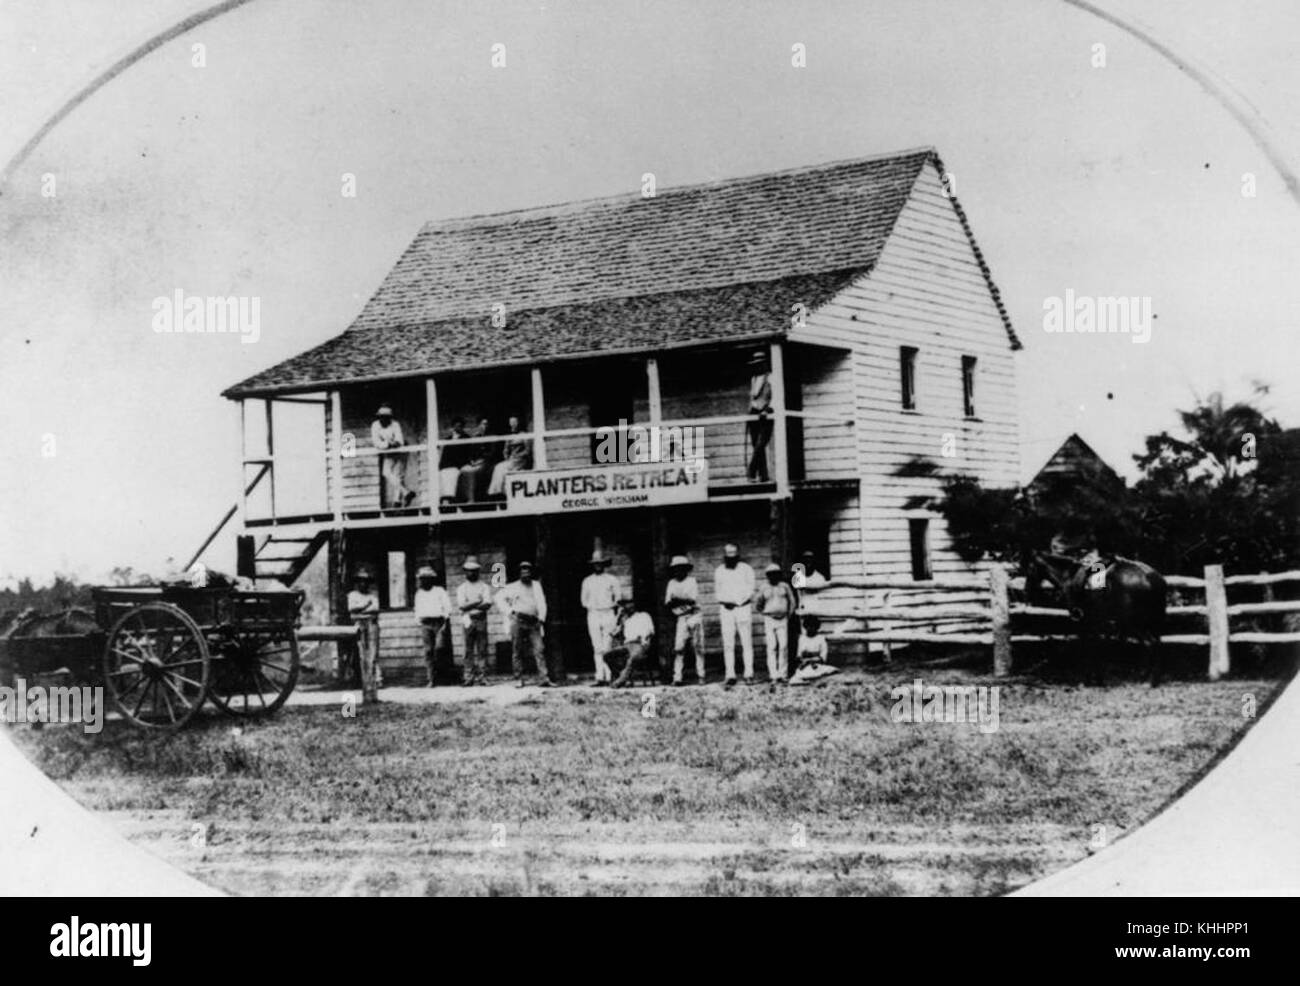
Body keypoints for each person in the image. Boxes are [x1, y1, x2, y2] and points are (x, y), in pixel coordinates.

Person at [497, 561, 550, 687]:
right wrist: (510, 612)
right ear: (519, 573)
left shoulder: (536, 585)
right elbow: (499, 598)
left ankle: (544, 678)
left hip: (533, 622)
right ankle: (518, 679)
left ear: (531, 573)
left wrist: (541, 618)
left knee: (539, 649)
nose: (525, 574)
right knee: (517, 650)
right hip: (518, 621)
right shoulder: (512, 587)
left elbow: (542, 602)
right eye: (523, 571)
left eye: (528, 571)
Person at [714, 543, 756, 687]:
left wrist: (738, 602)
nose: (730, 560)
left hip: (743, 608)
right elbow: (718, 592)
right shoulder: (719, 571)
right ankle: (730, 674)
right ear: (724, 557)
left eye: (733, 557)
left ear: (738, 556)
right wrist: (727, 602)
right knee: (728, 643)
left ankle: (749, 673)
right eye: (728, 557)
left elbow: (751, 589)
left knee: (746, 642)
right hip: (726, 610)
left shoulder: (746, 569)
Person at [581, 552, 621, 686]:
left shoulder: (612, 580)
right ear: (593, 565)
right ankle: (600, 677)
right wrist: (593, 606)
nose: (598, 566)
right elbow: (583, 600)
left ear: (604, 565)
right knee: (597, 647)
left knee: (607, 646)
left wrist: (608, 606)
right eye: (596, 564)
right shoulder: (587, 580)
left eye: (600, 564)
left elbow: (618, 598)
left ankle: (609, 677)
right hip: (593, 613)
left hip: (608, 613)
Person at [754, 562, 797, 683]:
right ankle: (773, 675)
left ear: (779, 575)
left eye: (776, 574)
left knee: (783, 646)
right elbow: (758, 603)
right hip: (769, 620)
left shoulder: (785, 586)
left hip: (783, 619)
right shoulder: (763, 587)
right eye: (771, 574)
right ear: (767, 576)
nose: (774, 577)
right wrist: (765, 613)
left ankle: (783, 674)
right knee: (771, 647)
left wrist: (788, 614)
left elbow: (792, 601)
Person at [665, 555, 704, 685]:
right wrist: (679, 601)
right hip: (681, 617)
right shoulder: (672, 583)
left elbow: (692, 600)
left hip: (694, 615)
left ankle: (701, 675)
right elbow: (668, 603)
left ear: (686, 569)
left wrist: (678, 600)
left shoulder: (691, 581)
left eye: (681, 569)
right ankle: (678, 677)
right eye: (676, 569)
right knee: (679, 648)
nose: (679, 572)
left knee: (697, 646)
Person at [455, 556, 493, 685]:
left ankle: (483, 677)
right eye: (468, 570)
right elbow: (462, 606)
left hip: (481, 619)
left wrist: (470, 604)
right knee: (467, 650)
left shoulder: (484, 587)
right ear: (465, 571)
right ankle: (468, 677)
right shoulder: (461, 588)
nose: (471, 572)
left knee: (482, 649)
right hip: (468, 620)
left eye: (474, 570)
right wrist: (478, 601)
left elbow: (487, 603)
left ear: (478, 571)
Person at [604, 595, 656, 688]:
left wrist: (645, 639)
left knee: (633, 658)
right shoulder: (625, 620)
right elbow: (612, 633)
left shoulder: (644, 615)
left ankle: (620, 681)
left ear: (634, 605)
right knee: (607, 656)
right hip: (627, 645)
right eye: (625, 605)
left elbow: (651, 631)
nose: (628, 606)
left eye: (630, 603)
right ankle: (621, 677)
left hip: (640, 643)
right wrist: (618, 617)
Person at [413, 565, 452, 687]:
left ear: (431, 579)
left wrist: (444, 621)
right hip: (425, 624)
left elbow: (448, 607)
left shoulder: (439, 591)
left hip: (438, 623)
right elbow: (417, 610)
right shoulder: (419, 594)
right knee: (428, 651)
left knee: (440, 649)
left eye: (427, 578)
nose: (424, 581)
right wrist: (420, 622)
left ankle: (443, 678)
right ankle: (431, 679)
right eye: (422, 578)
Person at [372, 404, 415, 508]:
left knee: (398, 475)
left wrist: (391, 443)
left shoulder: (395, 424)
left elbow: (399, 441)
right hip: (388, 451)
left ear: (390, 418)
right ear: (379, 417)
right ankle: (406, 492)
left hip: (400, 451)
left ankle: (397, 502)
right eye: (381, 417)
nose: (384, 420)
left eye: (386, 417)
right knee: (386, 473)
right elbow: (376, 442)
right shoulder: (375, 425)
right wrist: (388, 444)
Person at [346, 569, 380, 689]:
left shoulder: (372, 596)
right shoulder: (352, 595)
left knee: (373, 652)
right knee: (358, 652)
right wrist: (366, 606)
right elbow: (352, 610)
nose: (363, 584)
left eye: (365, 581)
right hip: (357, 625)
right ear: (357, 583)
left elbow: (375, 610)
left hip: (371, 624)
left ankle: (374, 680)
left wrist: (360, 611)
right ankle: (358, 680)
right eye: (360, 581)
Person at [488, 415, 532, 497]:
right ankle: (497, 493)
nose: (513, 424)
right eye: (511, 422)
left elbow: (527, 451)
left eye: (514, 422)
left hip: (520, 460)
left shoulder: (524, 435)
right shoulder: (509, 436)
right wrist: (506, 457)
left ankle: (500, 493)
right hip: (511, 460)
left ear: (518, 423)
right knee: (498, 467)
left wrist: (518, 455)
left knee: (502, 469)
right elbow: (505, 450)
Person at [745, 350, 773, 482]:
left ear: (765, 364)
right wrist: (750, 410)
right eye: (756, 364)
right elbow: (753, 398)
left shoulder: (771, 377)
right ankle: (764, 475)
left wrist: (767, 409)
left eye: (760, 364)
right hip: (754, 413)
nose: (758, 366)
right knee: (755, 443)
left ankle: (751, 471)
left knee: (761, 443)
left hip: (767, 413)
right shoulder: (753, 379)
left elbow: (776, 396)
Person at [790, 614, 839, 685]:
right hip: (805, 665)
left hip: (817, 665)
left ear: (817, 628)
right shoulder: (802, 638)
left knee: (825, 672)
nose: (810, 629)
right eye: (808, 627)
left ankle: (814, 679)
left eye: (813, 627)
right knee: (798, 677)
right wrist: (803, 658)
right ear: (805, 627)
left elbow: (823, 658)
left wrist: (811, 658)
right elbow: (799, 656)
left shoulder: (821, 639)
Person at [457, 416, 497, 502]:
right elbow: (471, 452)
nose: (485, 426)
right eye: (483, 424)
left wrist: (482, 460)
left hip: (487, 463)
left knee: (475, 472)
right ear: (479, 425)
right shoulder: (476, 437)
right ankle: (465, 498)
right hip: (476, 462)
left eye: (486, 424)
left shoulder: (491, 437)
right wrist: (472, 461)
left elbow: (492, 453)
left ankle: (475, 498)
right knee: (464, 470)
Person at [439, 418, 470, 502]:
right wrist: (441, 466)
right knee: (442, 474)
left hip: (458, 465)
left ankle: (450, 498)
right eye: (455, 426)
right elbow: (444, 456)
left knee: (451, 474)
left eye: (459, 426)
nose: (457, 428)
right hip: (447, 466)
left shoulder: (466, 438)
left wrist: (459, 465)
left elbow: (466, 455)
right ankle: (444, 499)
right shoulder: (448, 439)